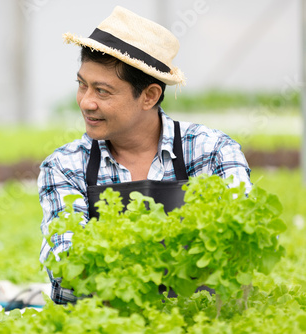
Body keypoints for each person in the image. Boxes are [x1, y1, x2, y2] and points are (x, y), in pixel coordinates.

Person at [38, 6, 252, 304]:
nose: (86, 103)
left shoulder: (211, 150)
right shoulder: (64, 164)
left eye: (102, 91)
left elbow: (239, 248)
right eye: (82, 85)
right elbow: (66, 260)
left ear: (149, 96)